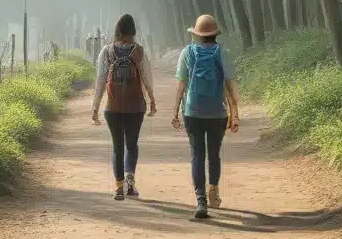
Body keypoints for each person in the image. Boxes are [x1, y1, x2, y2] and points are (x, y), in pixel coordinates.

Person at [171, 14, 239, 219]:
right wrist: (235, 114)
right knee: (214, 154)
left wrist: (175, 112)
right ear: (215, 34)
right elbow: (230, 86)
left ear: (197, 35)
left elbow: (181, 85)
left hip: (193, 112)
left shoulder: (187, 52)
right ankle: (214, 190)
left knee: (197, 155)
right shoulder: (222, 52)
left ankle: (200, 201)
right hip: (217, 112)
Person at [92, 14, 156, 200]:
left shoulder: (107, 52)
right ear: (133, 31)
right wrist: (151, 100)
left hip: (112, 108)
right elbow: (146, 78)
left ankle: (118, 188)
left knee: (117, 147)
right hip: (135, 107)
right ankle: (130, 183)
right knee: (132, 145)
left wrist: (95, 107)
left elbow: (101, 81)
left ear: (117, 31)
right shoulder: (139, 51)